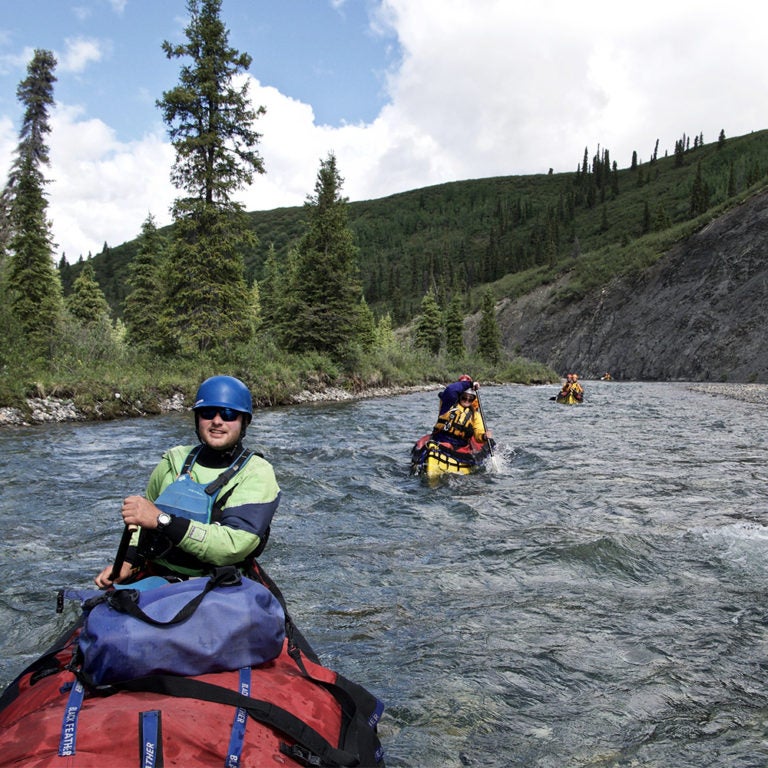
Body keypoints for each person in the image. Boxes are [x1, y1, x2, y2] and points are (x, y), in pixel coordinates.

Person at [95, 375, 280, 587]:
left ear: (243, 422)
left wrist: (163, 521)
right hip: (159, 577)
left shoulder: (257, 472)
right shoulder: (173, 460)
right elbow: (143, 518)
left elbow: (234, 544)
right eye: (208, 413)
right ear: (197, 419)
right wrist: (128, 561)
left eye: (229, 414)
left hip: (222, 583)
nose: (217, 421)